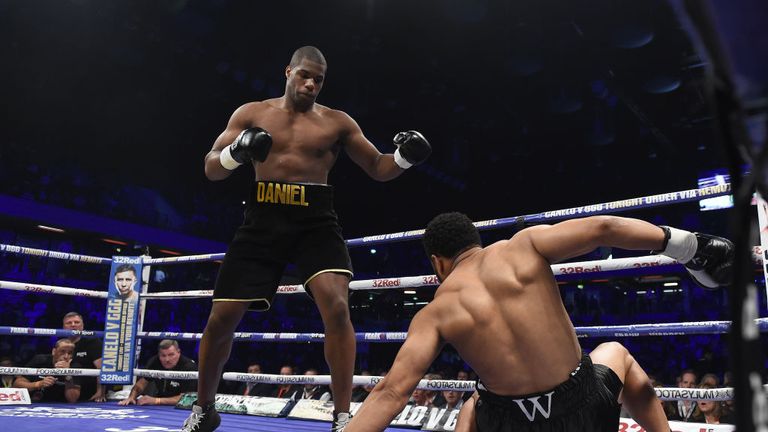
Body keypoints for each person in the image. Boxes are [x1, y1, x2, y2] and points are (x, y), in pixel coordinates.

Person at [182, 45, 431, 432]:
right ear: (288, 72)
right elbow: (211, 167)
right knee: (221, 318)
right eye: (305, 75)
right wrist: (236, 152)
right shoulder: (251, 113)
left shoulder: (338, 123)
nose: (311, 83)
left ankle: (343, 417)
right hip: (262, 218)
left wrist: (404, 158)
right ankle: (204, 409)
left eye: (319, 79)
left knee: (336, 306)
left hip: (315, 220)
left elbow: (379, 168)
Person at [345, 213, 733, 431]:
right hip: (583, 411)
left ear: (436, 262)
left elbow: (391, 394)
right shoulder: (524, 246)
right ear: (475, 241)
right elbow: (603, 229)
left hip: (510, 424)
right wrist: (688, 246)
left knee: (472, 406)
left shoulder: (434, 312)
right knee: (616, 352)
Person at [119, 340, 196, 406]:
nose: (167, 359)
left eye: (171, 355)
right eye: (163, 355)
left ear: (178, 352)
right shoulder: (155, 361)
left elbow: (188, 399)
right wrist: (132, 397)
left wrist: (156, 400)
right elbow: (141, 383)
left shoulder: (189, 367)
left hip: (181, 407)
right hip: (159, 405)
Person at [14, 338, 81, 403]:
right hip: (35, 404)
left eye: (70, 353)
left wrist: (68, 374)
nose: (66, 356)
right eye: (62, 352)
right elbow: (17, 384)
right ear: (54, 351)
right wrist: (38, 384)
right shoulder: (40, 360)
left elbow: (72, 399)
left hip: (61, 407)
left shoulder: (75, 367)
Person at [62, 311, 106, 402]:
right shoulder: (60, 342)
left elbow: (101, 368)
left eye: (77, 322)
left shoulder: (92, 341)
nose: (73, 325)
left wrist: (100, 392)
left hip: (89, 386)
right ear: (63, 327)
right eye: (69, 323)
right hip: (66, 385)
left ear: (82, 326)